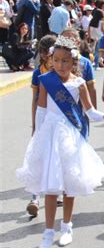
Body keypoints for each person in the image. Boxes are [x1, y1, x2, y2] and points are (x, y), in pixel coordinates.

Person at [16, 36, 104, 248]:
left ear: (74, 62)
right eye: (56, 60)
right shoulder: (45, 79)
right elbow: (41, 110)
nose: (60, 65)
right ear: (51, 60)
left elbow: (89, 111)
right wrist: (37, 139)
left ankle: (66, 226)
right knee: (50, 186)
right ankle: (48, 231)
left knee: (69, 184)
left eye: (65, 61)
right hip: (49, 137)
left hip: (70, 137)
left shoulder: (78, 84)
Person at [25, 34, 57, 217]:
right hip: (43, 120)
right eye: (50, 54)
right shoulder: (38, 73)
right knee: (39, 158)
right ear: (44, 55)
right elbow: (35, 101)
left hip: (59, 121)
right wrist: (34, 125)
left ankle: (58, 191)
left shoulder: (64, 70)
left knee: (57, 157)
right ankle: (34, 197)